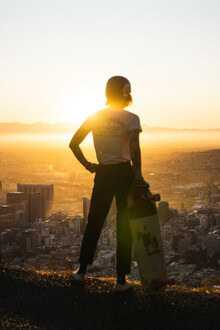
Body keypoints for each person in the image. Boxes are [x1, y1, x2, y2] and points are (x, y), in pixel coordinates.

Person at [69, 76, 146, 292]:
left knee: (94, 222)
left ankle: (81, 272)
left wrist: (88, 165)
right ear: (126, 93)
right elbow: (135, 151)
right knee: (124, 225)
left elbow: (73, 143)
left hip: (102, 173)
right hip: (124, 173)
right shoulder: (131, 119)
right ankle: (121, 280)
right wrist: (138, 177)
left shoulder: (95, 117)